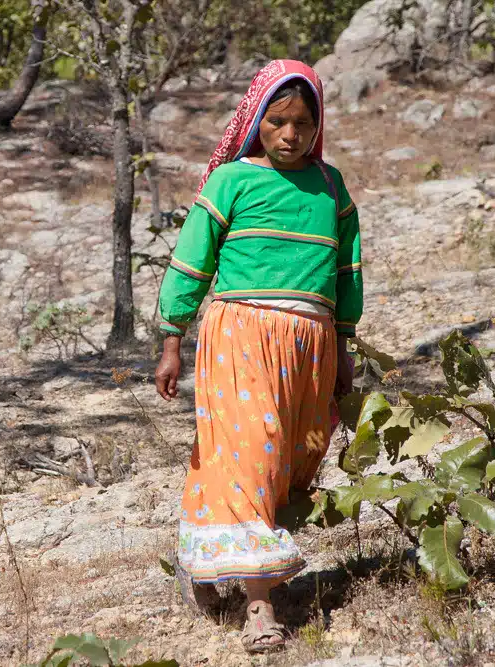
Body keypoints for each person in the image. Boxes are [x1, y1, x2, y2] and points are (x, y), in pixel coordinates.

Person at [154, 59, 362, 654]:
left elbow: (348, 272)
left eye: (302, 123)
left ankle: (210, 567)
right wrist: (172, 340)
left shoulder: (331, 188)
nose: (289, 135)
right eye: (276, 122)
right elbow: (191, 262)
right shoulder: (231, 182)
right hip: (240, 336)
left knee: (295, 456)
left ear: (317, 125)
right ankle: (260, 607)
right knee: (253, 451)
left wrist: (343, 348)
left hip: (312, 345)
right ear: (256, 123)